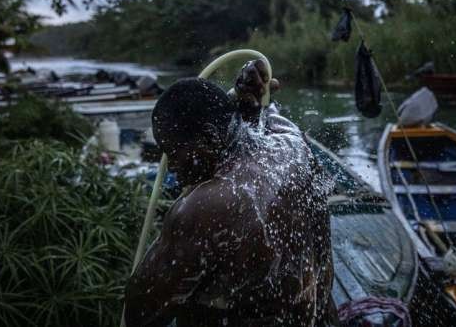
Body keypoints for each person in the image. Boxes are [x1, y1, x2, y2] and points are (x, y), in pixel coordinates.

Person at [124, 60, 338, 326]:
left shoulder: (203, 207)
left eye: (175, 154)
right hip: (320, 316)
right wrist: (248, 103)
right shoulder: (290, 140)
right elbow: (257, 124)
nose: (173, 167)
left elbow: (142, 311)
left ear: (210, 140)